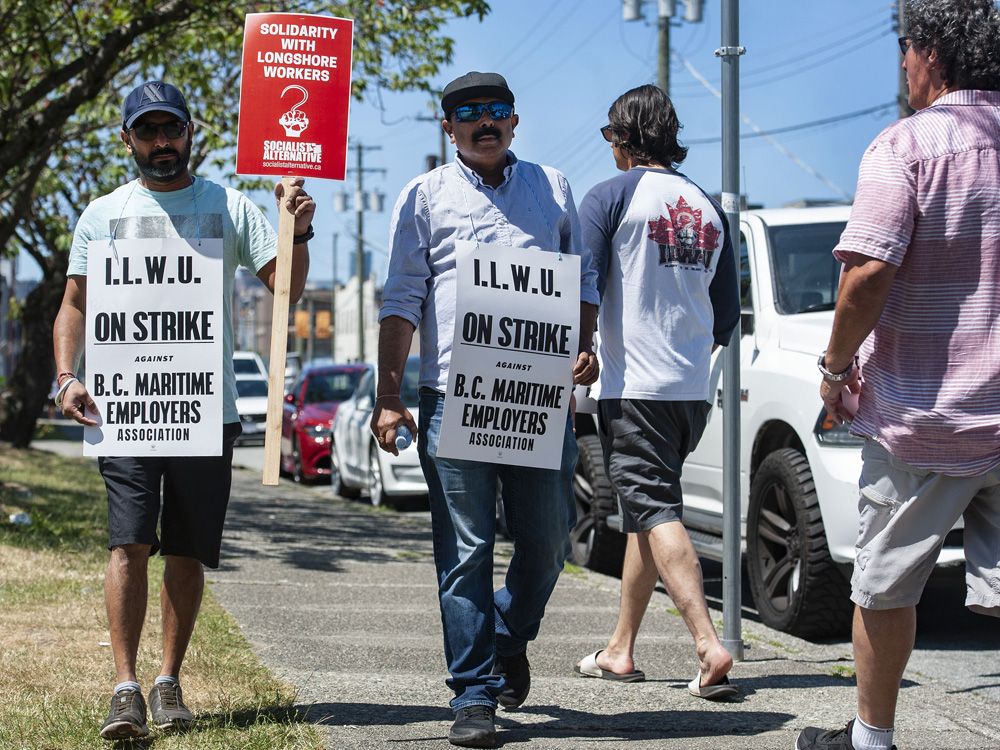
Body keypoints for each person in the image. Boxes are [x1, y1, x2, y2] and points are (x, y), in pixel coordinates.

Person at [51, 80, 315, 740]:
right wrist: (65, 376)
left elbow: (285, 289)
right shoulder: (101, 214)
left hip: (205, 408)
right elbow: (76, 305)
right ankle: (124, 689)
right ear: (127, 140)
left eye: (171, 129)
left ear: (192, 131)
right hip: (127, 408)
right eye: (148, 132)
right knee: (128, 540)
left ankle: (168, 680)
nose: (161, 142)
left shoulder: (229, 205)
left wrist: (298, 226)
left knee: (188, 550)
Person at [371, 71, 599, 749]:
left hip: (538, 398)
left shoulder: (553, 187)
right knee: (465, 551)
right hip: (452, 399)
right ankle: (473, 694)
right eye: (469, 114)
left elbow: (581, 279)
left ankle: (505, 637)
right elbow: (400, 300)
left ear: (515, 120)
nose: (485, 122)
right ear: (449, 129)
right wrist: (388, 396)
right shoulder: (424, 196)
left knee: (551, 541)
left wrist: (582, 348)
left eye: (496, 110)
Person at [797, 2, 1000, 749]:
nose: (903, 66)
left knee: (884, 585)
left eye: (907, 51)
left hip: (923, 418)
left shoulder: (908, 146)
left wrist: (834, 368)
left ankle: (872, 740)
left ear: (934, 55)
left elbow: (870, 271)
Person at [572, 84, 739, 699]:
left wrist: (584, 347)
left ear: (622, 139)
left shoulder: (611, 198)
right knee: (648, 505)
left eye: (610, 136)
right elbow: (727, 315)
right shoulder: (707, 206)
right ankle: (620, 649)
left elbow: (583, 285)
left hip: (633, 388)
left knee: (655, 508)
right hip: (691, 392)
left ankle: (707, 645)